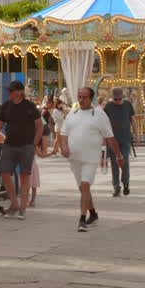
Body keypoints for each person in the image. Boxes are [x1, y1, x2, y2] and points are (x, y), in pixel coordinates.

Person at [59, 87, 125, 233]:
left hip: (91, 158)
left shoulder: (99, 114)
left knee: (85, 185)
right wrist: (63, 146)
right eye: (79, 97)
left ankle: (82, 219)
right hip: (74, 158)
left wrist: (119, 156)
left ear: (91, 99)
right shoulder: (73, 113)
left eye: (84, 97)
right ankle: (93, 213)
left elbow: (110, 137)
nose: (81, 100)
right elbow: (64, 133)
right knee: (83, 189)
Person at [0, 80, 41, 220]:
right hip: (9, 145)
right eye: (9, 90)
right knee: (5, 172)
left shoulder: (30, 106)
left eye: (12, 90)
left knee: (25, 176)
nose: (10, 93)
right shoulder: (6, 106)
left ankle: (23, 209)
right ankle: (15, 204)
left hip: (26, 146)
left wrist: (34, 144)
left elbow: (39, 126)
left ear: (20, 92)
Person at [102, 88, 136, 197]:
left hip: (126, 138)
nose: (118, 101)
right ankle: (116, 186)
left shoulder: (128, 105)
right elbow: (103, 123)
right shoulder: (108, 107)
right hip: (112, 139)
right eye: (116, 99)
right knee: (114, 163)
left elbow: (133, 119)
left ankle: (126, 183)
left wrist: (137, 134)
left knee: (124, 161)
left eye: (119, 99)